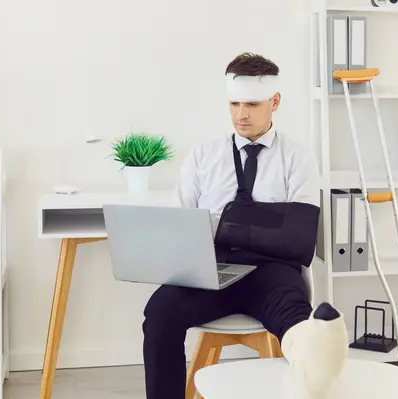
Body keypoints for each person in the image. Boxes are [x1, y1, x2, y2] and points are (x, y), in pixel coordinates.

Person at [141, 52, 347, 399]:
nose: (241, 114)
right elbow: (177, 225)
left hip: (272, 272)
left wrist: (226, 223)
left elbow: (298, 240)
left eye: (252, 104)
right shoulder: (203, 156)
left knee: (294, 314)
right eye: (234, 103)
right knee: (160, 311)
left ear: (275, 101)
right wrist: (258, 222)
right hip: (211, 271)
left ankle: (318, 357)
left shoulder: (298, 159)